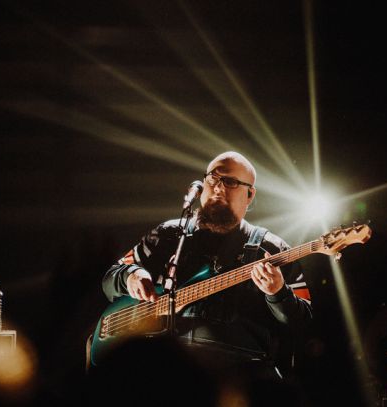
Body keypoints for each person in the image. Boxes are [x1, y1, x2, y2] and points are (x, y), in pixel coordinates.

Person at [99, 151, 313, 401]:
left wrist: (278, 293)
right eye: (213, 178)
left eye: (230, 182)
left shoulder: (273, 249)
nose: (218, 187)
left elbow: (304, 322)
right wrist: (131, 276)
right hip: (162, 378)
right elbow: (110, 279)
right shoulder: (168, 235)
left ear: (250, 194)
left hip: (238, 386)